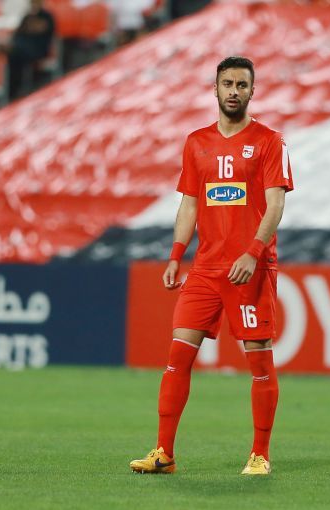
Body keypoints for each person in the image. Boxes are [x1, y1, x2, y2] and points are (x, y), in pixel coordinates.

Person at [129, 56, 294, 476]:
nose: (234, 91)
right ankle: (164, 453)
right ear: (215, 88)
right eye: (227, 83)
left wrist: (253, 252)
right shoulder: (196, 142)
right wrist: (175, 255)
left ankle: (260, 454)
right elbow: (189, 203)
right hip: (205, 269)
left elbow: (276, 204)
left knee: (259, 361)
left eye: (242, 84)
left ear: (253, 90)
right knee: (177, 356)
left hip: (249, 268)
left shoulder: (270, 141)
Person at [0, 0, 55, 98]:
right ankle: (2, 86)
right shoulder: (27, 17)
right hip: (19, 50)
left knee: (8, 51)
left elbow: (42, 33)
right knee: (0, 48)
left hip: (36, 50)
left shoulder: (47, 16)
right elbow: (18, 35)